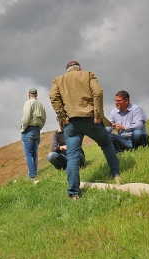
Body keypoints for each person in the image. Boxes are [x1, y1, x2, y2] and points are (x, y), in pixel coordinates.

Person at [49, 60, 120, 199]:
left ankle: (74, 193)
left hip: (71, 123)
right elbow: (98, 92)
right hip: (91, 119)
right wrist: (98, 114)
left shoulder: (58, 80)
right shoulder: (88, 75)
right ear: (79, 68)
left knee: (73, 156)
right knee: (106, 144)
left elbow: (53, 97)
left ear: (67, 70)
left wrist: (62, 116)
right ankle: (115, 173)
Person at [21, 88, 46, 181]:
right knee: (35, 153)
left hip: (28, 129)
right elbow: (44, 118)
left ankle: (32, 175)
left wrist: (23, 128)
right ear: (36, 95)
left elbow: (26, 118)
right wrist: (39, 127)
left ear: (29, 94)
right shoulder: (41, 105)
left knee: (28, 154)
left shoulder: (28, 103)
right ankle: (34, 172)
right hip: (37, 130)